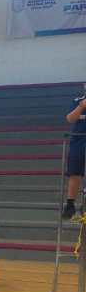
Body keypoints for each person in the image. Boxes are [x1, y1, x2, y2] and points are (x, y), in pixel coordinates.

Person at [62, 87, 86, 219]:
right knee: (74, 172)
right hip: (78, 140)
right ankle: (70, 204)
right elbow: (70, 119)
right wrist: (81, 106)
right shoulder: (78, 101)